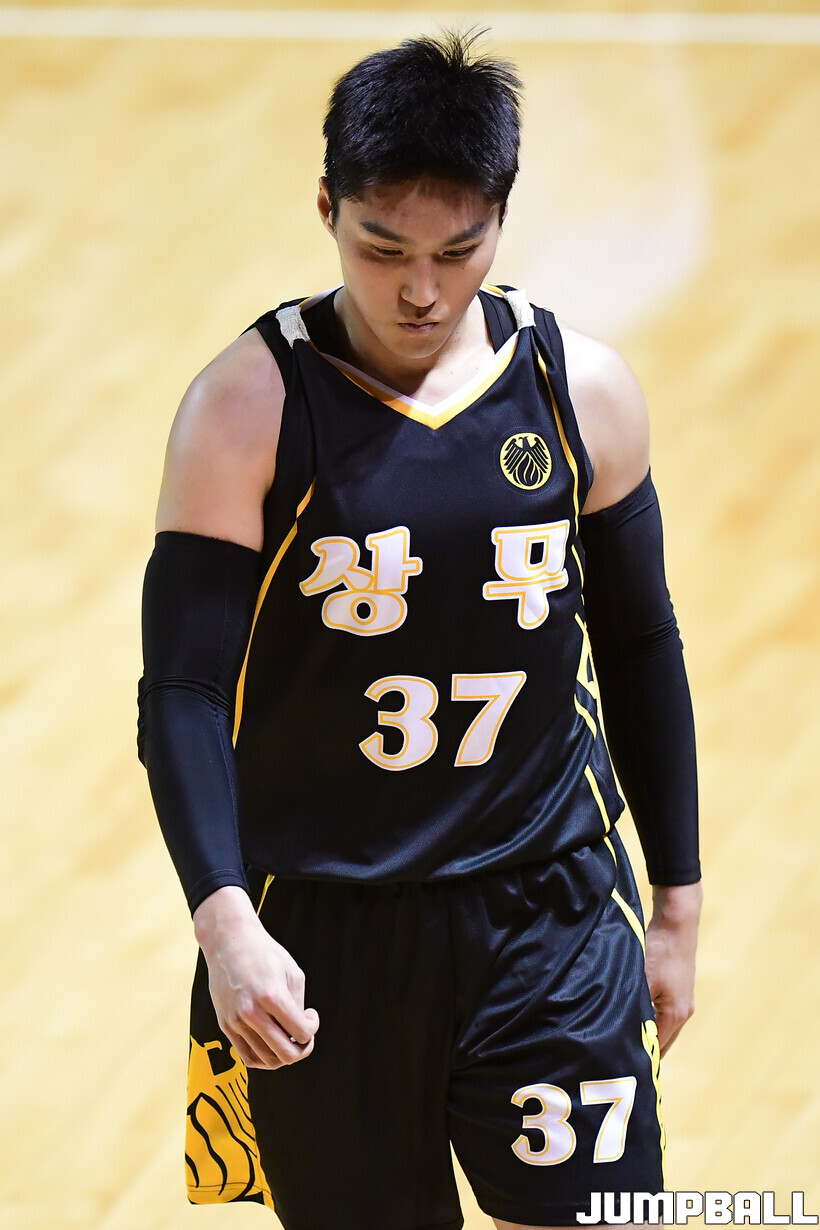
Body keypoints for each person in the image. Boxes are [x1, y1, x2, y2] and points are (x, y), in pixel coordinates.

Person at [138, 29, 702, 1230]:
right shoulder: (245, 408)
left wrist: (677, 905)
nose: (421, 290)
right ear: (326, 207)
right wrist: (224, 921)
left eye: (458, 249)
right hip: (325, 930)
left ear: (501, 217)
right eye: (381, 248)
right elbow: (182, 691)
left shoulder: (580, 392)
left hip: (547, 912)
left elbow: (642, 648)